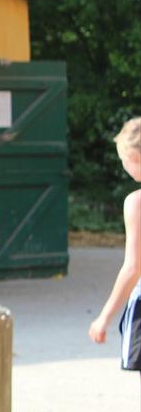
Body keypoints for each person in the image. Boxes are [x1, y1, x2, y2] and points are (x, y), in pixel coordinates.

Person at [88, 116, 141, 372]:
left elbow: (133, 268)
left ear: (135, 158)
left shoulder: (136, 203)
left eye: (123, 160)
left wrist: (104, 318)